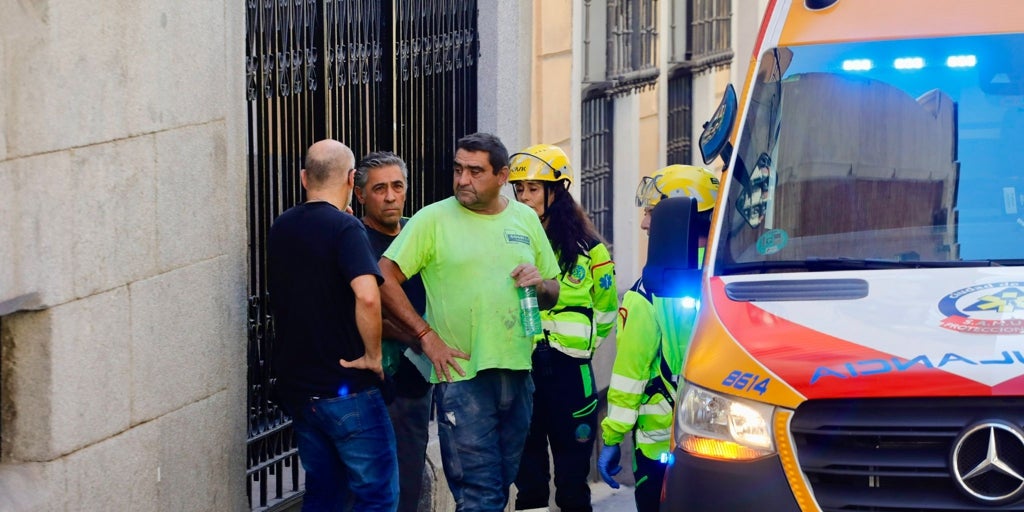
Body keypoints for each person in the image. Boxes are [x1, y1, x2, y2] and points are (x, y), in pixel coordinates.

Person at [377, 132, 562, 512]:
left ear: (502, 176)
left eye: (475, 171)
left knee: (500, 484)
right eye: (458, 169)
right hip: (462, 377)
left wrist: (538, 283)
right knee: (480, 495)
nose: (463, 180)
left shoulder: (525, 218)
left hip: (517, 372)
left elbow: (553, 290)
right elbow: (383, 277)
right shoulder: (433, 219)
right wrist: (426, 336)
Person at [267, 139, 398, 512]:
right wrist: (373, 356)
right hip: (349, 390)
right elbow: (368, 295)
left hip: (301, 390)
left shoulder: (281, 226)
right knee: (376, 495)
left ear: (304, 177)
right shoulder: (346, 229)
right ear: (351, 178)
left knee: (323, 494)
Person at [596, 165, 719, 512]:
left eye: (652, 212)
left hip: (659, 446)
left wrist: (612, 437)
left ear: (678, 218)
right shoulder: (730, 276)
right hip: (726, 443)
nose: (645, 223)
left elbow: (630, 373)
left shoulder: (648, 291)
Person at [507, 144, 618, 512]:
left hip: (570, 373)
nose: (524, 197)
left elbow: (605, 314)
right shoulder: (510, 242)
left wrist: (576, 346)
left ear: (557, 191)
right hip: (523, 370)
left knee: (572, 484)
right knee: (530, 484)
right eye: (519, 189)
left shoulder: (590, 251)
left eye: (533, 189)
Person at [353, 150, 432, 512]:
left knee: (410, 474)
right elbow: (356, 309)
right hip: (373, 380)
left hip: (417, 379)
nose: (389, 196)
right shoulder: (354, 240)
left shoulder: (420, 230)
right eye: (379, 188)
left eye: (397, 187)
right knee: (373, 481)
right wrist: (415, 335)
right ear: (360, 195)